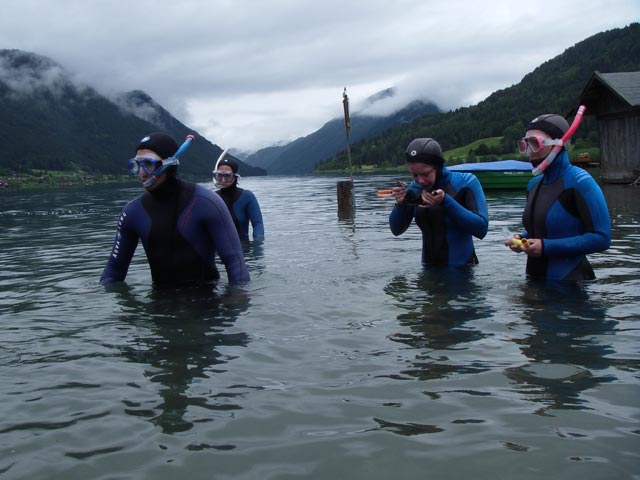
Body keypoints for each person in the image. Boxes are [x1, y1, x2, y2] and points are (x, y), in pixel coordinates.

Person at [100, 132, 250, 288]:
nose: (142, 173)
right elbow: (114, 271)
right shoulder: (132, 212)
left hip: (207, 304)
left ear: (168, 164)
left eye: (148, 164)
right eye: (136, 165)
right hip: (158, 306)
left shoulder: (207, 203)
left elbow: (235, 264)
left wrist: (234, 306)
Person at [505, 113, 611, 281]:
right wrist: (522, 239)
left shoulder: (580, 182)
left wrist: (547, 247)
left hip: (571, 286)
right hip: (535, 281)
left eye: (535, 144)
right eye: (525, 144)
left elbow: (602, 238)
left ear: (558, 143)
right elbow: (544, 230)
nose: (529, 152)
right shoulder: (533, 185)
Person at [390, 137, 489, 266]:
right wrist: (401, 203)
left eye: (425, 174)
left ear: (438, 167)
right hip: (428, 272)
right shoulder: (415, 189)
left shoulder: (466, 183)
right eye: (414, 175)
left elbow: (481, 229)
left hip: (462, 274)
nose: (420, 180)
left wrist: (446, 201)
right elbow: (396, 230)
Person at [214, 156, 264, 240]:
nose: (223, 180)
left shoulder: (247, 196)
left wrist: (257, 246)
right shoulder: (212, 198)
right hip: (217, 250)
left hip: (242, 249)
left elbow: (258, 224)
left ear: (235, 176)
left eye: (227, 176)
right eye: (219, 175)